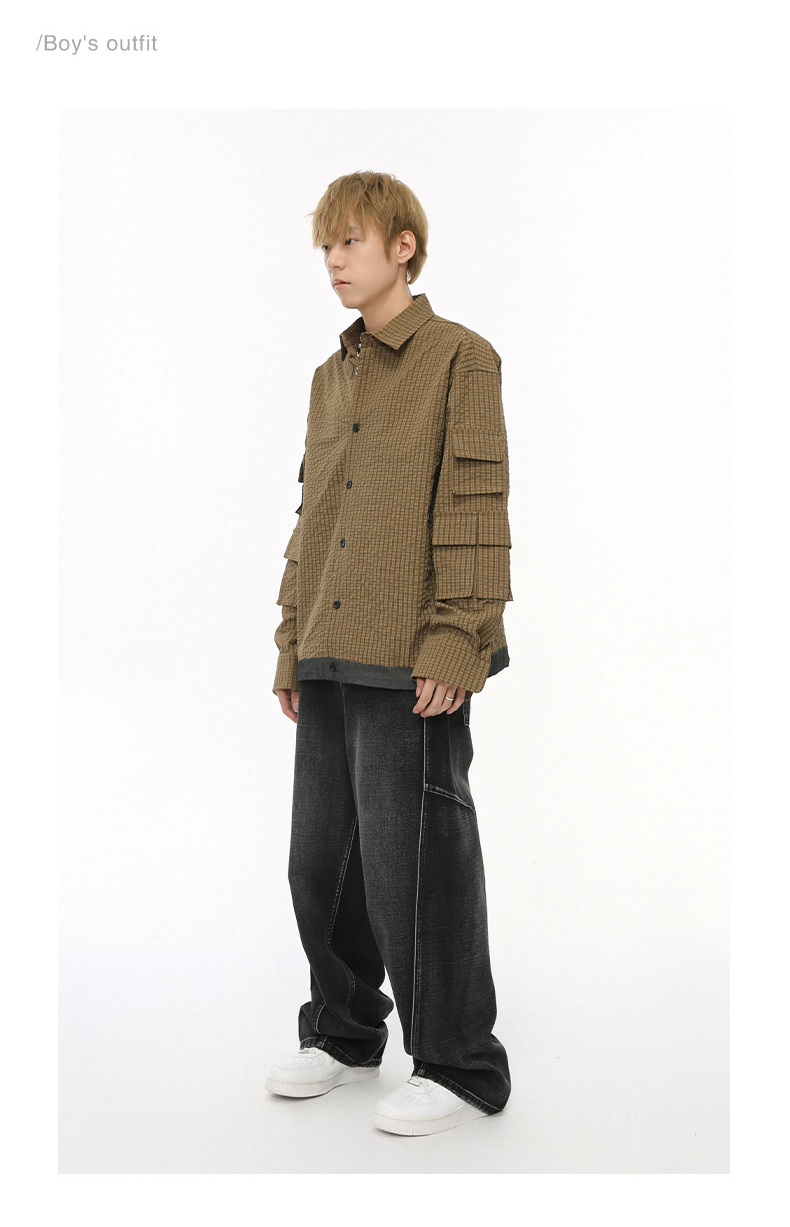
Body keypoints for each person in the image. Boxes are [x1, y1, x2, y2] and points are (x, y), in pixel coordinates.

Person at [267, 170, 513, 1137]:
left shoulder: (462, 359)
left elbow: (475, 509)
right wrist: (291, 640)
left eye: (352, 242)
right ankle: (344, 1032)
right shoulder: (329, 378)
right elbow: (312, 518)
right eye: (326, 245)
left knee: (418, 867)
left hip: (415, 656)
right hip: (330, 648)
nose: (334, 261)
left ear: (403, 246)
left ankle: (456, 1063)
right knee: (317, 864)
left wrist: (458, 637)